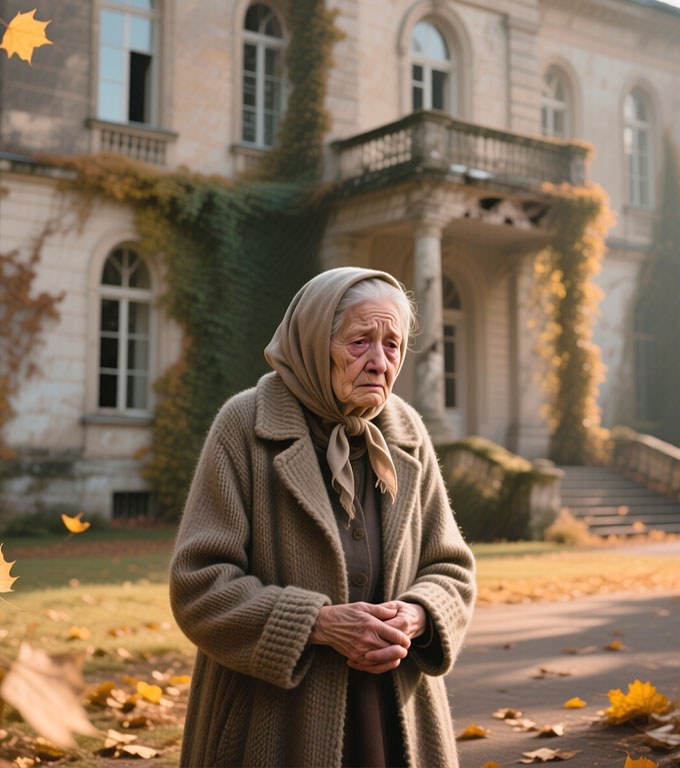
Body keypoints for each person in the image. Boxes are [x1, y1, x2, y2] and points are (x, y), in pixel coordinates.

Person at [169, 267, 476, 768]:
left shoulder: (407, 431)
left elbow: (450, 569)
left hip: (394, 715)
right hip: (270, 720)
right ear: (315, 342)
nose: (380, 362)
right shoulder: (244, 425)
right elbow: (199, 585)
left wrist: (419, 615)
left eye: (393, 345)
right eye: (360, 342)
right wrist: (317, 623)